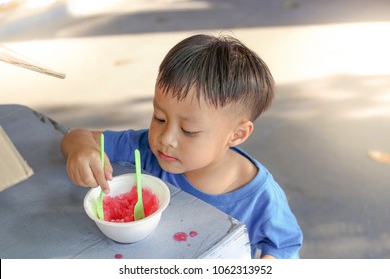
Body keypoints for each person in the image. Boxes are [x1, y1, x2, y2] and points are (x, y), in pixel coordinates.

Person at [61, 34, 303, 259]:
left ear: (237, 134)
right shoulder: (144, 149)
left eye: (188, 131)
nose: (165, 138)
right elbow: (79, 136)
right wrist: (81, 148)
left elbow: (284, 246)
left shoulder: (261, 197)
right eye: (159, 118)